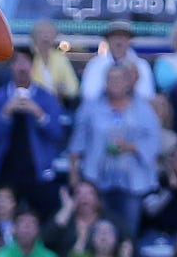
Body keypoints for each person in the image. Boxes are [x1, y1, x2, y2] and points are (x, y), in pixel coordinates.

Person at [68, 62, 162, 237]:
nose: (115, 83)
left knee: (128, 230)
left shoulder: (143, 108)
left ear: (128, 82)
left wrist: (132, 146)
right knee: (99, 230)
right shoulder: (91, 107)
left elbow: (154, 140)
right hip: (97, 180)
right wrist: (74, 174)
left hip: (132, 182)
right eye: (111, 79)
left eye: (119, 79)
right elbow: (77, 141)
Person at [0, 52, 67, 220]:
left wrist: (38, 113)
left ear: (32, 66)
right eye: (17, 63)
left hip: (37, 170)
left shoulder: (47, 97)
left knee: (41, 218)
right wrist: (6, 112)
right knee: (3, 218)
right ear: (11, 67)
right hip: (6, 170)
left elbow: (57, 133)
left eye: (26, 62)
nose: (22, 67)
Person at [79, 20, 157, 106]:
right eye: (115, 37)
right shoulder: (95, 64)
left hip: (133, 113)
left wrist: (131, 86)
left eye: (123, 37)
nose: (119, 41)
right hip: (101, 112)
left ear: (129, 40)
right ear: (108, 40)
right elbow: (88, 94)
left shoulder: (141, 65)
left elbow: (147, 96)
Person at [29, 18, 80, 103]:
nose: (45, 37)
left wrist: (64, 90)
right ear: (33, 37)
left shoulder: (60, 59)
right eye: (41, 33)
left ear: (54, 37)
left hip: (56, 104)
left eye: (49, 33)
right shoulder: (28, 57)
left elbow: (73, 88)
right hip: (31, 103)